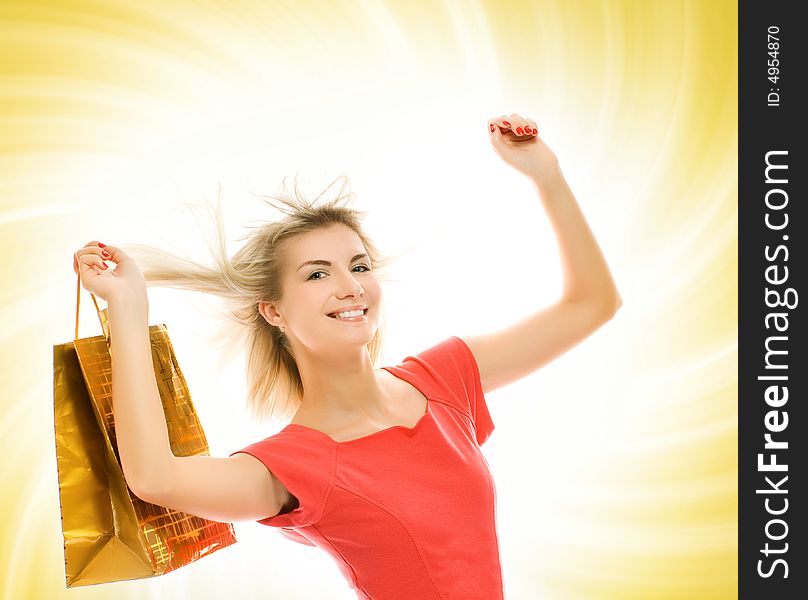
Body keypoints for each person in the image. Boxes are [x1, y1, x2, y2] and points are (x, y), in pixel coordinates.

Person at [72, 113, 621, 599]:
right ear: (274, 312)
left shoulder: (444, 379)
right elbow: (154, 478)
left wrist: (547, 176)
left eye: (358, 266)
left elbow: (592, 304)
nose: (349, 286)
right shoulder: (298, 466)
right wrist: (128, 307)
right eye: (317, 274)